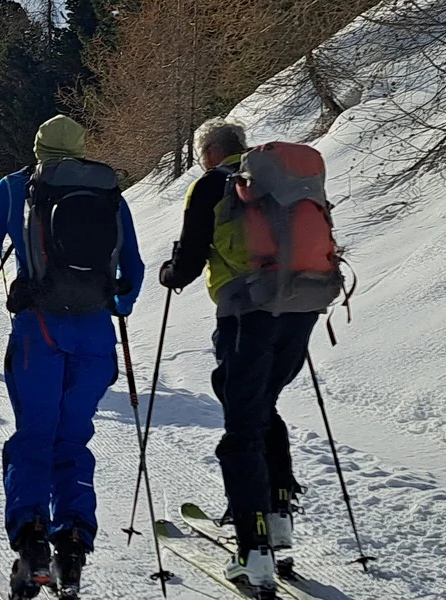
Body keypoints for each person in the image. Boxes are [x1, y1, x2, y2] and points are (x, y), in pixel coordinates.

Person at [0, 115, 144, 598]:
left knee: (34, 437)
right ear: (82, 147)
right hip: (96, 338)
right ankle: (74, 544)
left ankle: (32, 544)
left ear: (37, 146)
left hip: (39, 333)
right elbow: (134, 268)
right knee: (73, 439)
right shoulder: (106, 190)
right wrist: (112, 305)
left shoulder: (17, 187)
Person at [157, 119, 323, 593]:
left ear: (210, 151)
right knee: (258, 406)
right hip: (301, 306)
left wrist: (171, 272)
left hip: (247, 312)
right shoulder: (280, 181)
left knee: (241, 429)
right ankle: (276, 516)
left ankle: (254, 552)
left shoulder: (212, 185)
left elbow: (188, 261)